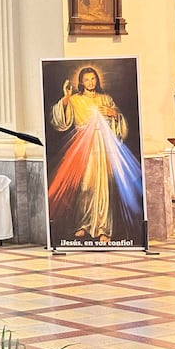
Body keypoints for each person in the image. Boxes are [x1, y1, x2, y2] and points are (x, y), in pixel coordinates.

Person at [48, 67, 142, 244]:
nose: (91, 82)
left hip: (104, 147)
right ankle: (84, 224)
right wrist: (66, 98)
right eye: (87, 79)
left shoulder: (105, 99)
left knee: (104, 187)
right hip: (84, 147)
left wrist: (114, 114)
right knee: (85, 187)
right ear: (81, 82)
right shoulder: (75, 100)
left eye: (93, 79)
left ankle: (104, 228)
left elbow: (120, 122)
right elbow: (60, 121)